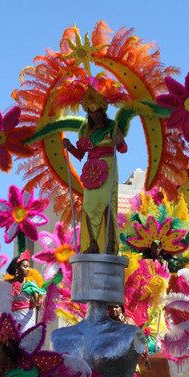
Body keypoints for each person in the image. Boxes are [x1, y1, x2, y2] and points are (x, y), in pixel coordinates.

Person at [63, 86, 127, 255]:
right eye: (92, 112)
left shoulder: (112, 126)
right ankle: (93, 244)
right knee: (88, 206)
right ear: (88, 114)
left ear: (103, 111)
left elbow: (123, 148)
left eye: (98, 111)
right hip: (91, 171)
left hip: (108, 167)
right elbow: (80, 154)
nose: (95, 115)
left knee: (106, 205)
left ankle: (111, 245)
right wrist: (69, 147)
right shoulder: (85, 130)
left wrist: (119, 141)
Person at [0, 251, 46, 332]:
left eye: (28, 267)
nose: (28, 269)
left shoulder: (32, 286)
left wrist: (38, 302)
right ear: (17, 268)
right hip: (11, 323)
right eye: (25, 266)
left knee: (25, 342)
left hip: (27, 323)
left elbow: (39, 305)